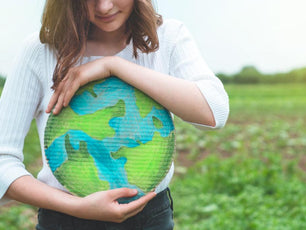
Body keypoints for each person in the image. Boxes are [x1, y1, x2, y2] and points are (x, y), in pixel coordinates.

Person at [0, 0, 229, 229]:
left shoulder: (168, 38)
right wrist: (75, 206)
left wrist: (114, 66)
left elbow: (214, 110)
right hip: (64, 220)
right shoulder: (41, 50)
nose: (104, 7)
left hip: (150, 220)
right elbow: (2, 161)